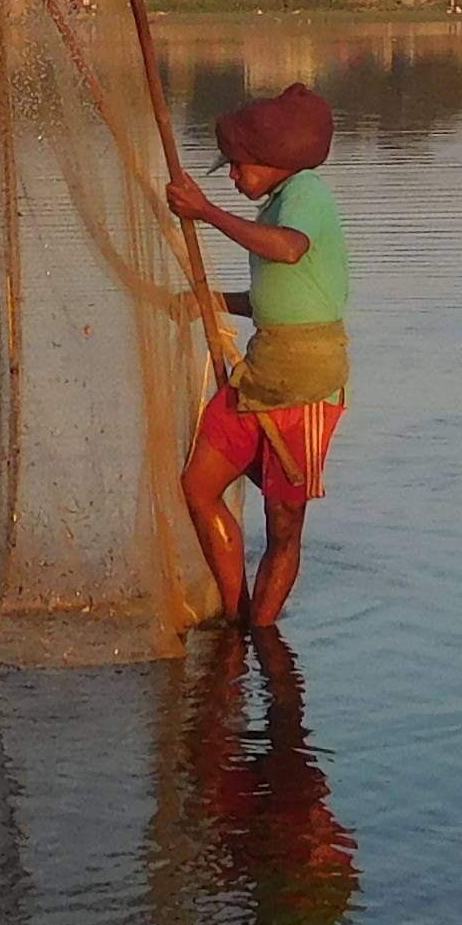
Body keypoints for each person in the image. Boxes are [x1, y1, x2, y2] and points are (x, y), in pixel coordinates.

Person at [166, 81, 348, 629]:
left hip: (305, 380)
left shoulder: (306, 193)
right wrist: (213, 302)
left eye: (239, 165)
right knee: (197, 488)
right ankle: (236, 616)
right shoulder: (276, 206)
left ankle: (260, 632)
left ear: (272, 163)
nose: (233, 175)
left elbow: (289, 250)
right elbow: (278, 299)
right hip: (262, 370)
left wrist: (207, 212)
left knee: (283, 522)